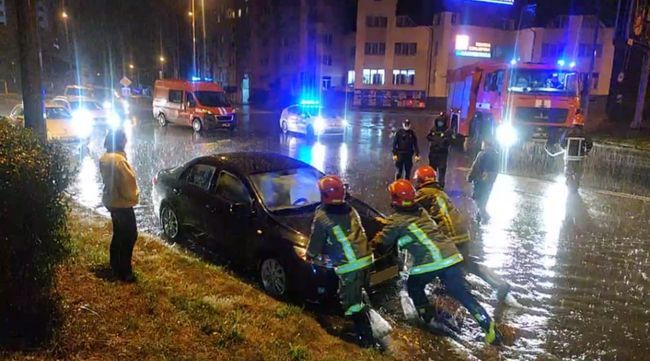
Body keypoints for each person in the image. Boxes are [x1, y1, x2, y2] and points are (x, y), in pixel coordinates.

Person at [371, 180, 502, 345]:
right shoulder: (421, 212)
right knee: (463, 295)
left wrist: (369, 246)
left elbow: (381, 243)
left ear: (395, 199)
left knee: (414, 285)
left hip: (431, 261)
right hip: (452, 256)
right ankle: (489, 328)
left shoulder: (396, 220)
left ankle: (428, 317)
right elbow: (416, 230)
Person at [414, 166, 512, 303]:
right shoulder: (440, 193)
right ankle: (500, 284)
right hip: (462, 233)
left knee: (438, 263)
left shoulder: (423, 193)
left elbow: (406, 207)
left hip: (449, 236)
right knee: (466, 262)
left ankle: (447, 296)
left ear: (419, 181)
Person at [306, 175, 376, 347]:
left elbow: (315, 243)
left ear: (324, 195)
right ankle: (365, 322)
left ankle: (366, 340)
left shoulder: (322, 217)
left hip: (350, 266)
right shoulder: (351, 210)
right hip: (366, 258)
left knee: (350, 303)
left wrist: (310, 255)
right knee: (357, 292)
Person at [99, 129, 139, 282]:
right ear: (121, 141)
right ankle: (125, 271)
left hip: (111, 201)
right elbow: (128, 185)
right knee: (129, 236)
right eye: (125, 139)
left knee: (118, 234)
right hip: (121, 203)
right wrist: (134, 197)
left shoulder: (105, 158)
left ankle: (115, 265)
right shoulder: (119, 161)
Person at [467, 139, 499, 223]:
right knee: (484, 198)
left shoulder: (482, 154)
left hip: (479, 179)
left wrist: (470, 177)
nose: (482, 145)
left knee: (477, 197)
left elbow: (475, 166)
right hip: (490, 181)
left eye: (483, 144)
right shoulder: (496, 154)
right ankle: (479, 216)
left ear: (486, 144)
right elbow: (496, 170)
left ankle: (484, 216)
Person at [560, 122, 593, 191]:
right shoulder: (584, 133)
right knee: (578, 170)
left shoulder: (568, 131)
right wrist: (586, 151)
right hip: (579, 156)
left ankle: (569, 181)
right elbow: (589, 144)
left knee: (568, 169)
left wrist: (564, 148)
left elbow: (562, 142)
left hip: (569, 155)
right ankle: (576, 182)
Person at [426, 113, 453, 189]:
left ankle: (441, 186)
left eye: (441, 122)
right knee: (432, 171)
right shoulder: (433, 129)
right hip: (433, 153)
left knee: (441, 171)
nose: (440, 124)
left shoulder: (447, 131)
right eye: (438, 122)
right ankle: (432, 185)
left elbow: (451, 141)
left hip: (442, 155)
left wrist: (444, 141)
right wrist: (433, 139)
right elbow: (428, 137)